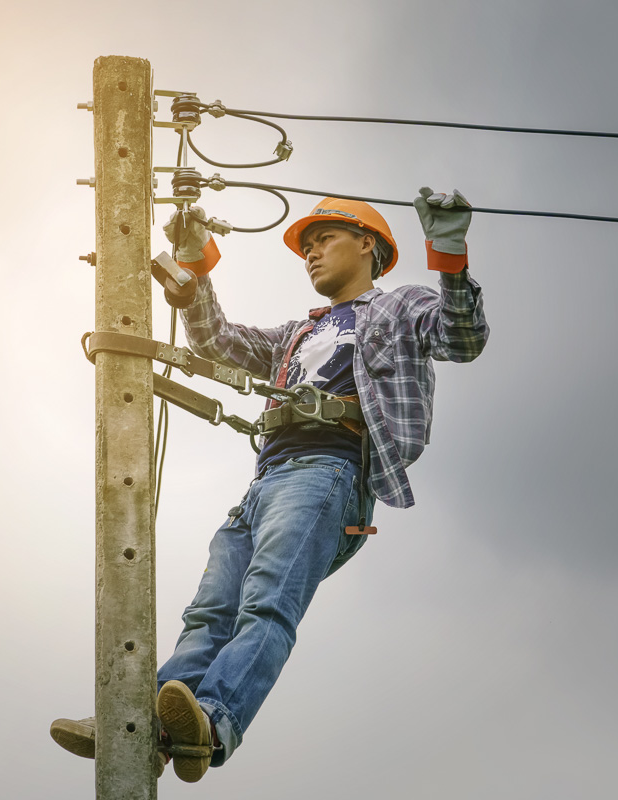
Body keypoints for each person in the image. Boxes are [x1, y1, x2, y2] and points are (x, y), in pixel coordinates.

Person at [51, 187, 489, 782]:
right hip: (267, 479)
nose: (310, 253)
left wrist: (449, 254)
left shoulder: (399, 307)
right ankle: (141, 728)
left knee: (266, 606)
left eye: (323, 239)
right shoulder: (298, 334)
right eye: (305, 245)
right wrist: (195, 266)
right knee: (208, 613)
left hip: (328, 474)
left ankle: (214, 719)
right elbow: (217, 342)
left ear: (368, 245)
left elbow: (461, 339)